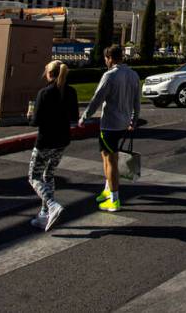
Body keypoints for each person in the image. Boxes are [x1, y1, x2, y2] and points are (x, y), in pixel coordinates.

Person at [79, 44, 140, 212]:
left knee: (110, 160)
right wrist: (133, 120)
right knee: (106, 156)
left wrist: (84, 117)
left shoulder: (110, 76)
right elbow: (137, 100)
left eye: (106, 59)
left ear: (110, 58)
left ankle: (114, 199)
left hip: (110, 124)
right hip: (124, 122)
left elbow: (97, 99)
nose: (105, 61)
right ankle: (107, 189)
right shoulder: (133, 75)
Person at [28, 60, 79, 231]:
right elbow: (74, 116)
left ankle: (51, 204)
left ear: (49, 74)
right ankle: (44, 213)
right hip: (62, 140)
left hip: (45, 140)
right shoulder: (71, 92)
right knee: (48, 175)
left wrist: (29, 116)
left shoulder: (44, 93)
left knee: (34, 176)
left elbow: (36, 121)